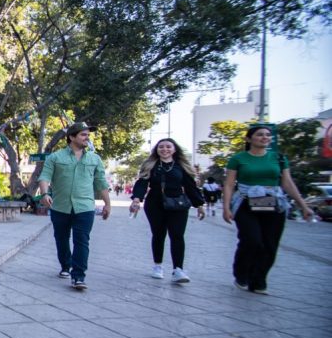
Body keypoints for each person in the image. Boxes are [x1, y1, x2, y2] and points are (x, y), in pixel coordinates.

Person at [223, 126, 313, 294]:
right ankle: (241, 274)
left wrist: (303, 205)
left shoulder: (278, 158)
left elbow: (287, 183)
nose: (264, 137)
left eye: (267, 135)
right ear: (249, 139)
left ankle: (258, 281)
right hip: (246, 202)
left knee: (269, 244)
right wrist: (226, 207)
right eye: (260, 135)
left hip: (273, 202)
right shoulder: (238, 159)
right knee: (252, 240)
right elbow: (229, 184)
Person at [37, 122, 111, 290]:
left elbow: (101, 183)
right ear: (71, 137)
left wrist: (108, 204)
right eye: (83, 135)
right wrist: (45, 194)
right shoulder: (55, 157)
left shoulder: (94, 159)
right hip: (60, 207)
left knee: (82, 241)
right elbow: (45, 177)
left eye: (88, 135)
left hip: (85, 207)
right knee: (61, 239)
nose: (87, 138)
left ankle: (78, 276)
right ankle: (65, 265)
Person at [128, 139, 206, 283]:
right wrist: (137, 199)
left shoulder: (181, 166)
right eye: (161, 147)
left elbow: (190, 186)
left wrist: (199, 204)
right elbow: (142, 183)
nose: (165, 149)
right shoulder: (151, 165)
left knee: (177, 235)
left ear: (174, 149)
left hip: (177, 205)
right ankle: (158, 266)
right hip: (155, 204)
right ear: (156, 150)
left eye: (168, 147)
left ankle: (178, 270)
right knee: (158, 234)